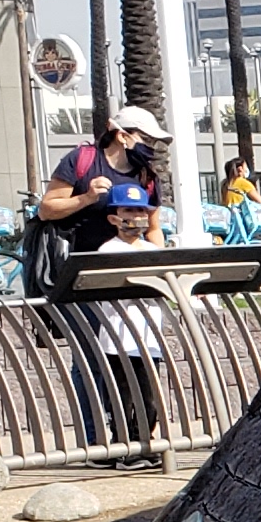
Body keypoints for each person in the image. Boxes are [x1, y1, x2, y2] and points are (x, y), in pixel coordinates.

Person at [70, 179, 181, 464]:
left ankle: (145, 443)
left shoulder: (153, 252)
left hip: (148, 339)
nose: (135, 217)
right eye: (128, 211)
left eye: (140, 211)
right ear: (114, 218)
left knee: (149, 398)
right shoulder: (108, 251)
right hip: (119, 340)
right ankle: (125, 446)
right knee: (122, 396)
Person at [33, 103, 168, 278]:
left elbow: (153, 229)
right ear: (122, 136)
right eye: (147, 140)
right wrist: (87, 198)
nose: (152, 148)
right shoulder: (82, 160)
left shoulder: (146, 175)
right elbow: (46, 211)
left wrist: (162, 267)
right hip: (73, 269)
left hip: (125, 270)